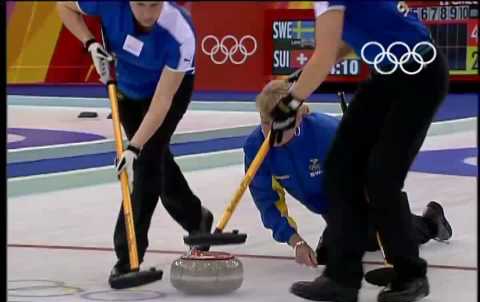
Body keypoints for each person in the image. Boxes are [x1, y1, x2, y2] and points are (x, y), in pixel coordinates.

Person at [268, 1, 449, 302]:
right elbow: (341, 43)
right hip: (389, 75)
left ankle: (411, 273)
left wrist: (289, 104)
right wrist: (300, 77)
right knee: (341, 167)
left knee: (381, 177)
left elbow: (324, 56)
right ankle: (341, 277)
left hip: (420, 77)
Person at [57, 2, 213, 285]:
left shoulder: (180, 32)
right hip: (126, 88)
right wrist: (90, 43)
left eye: (154, 4)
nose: (147, 13)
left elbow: (162, 102)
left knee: (146, 162)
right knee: (157, 160)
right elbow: (63, 6)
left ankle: (128, 256)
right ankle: (196, 218)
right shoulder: (107, 3)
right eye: (140, 4)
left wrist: (134, 147)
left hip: (168, 94)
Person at [245, 80, 452, 269]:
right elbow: (267, 201)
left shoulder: (326, 133)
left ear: (298, 118)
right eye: (265, 123)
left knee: (375, 235)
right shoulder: (255, 148)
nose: (272, 133)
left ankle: (431, 223)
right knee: (342, 248)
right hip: (328, 205)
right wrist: (295, 240)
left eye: (281, 125)